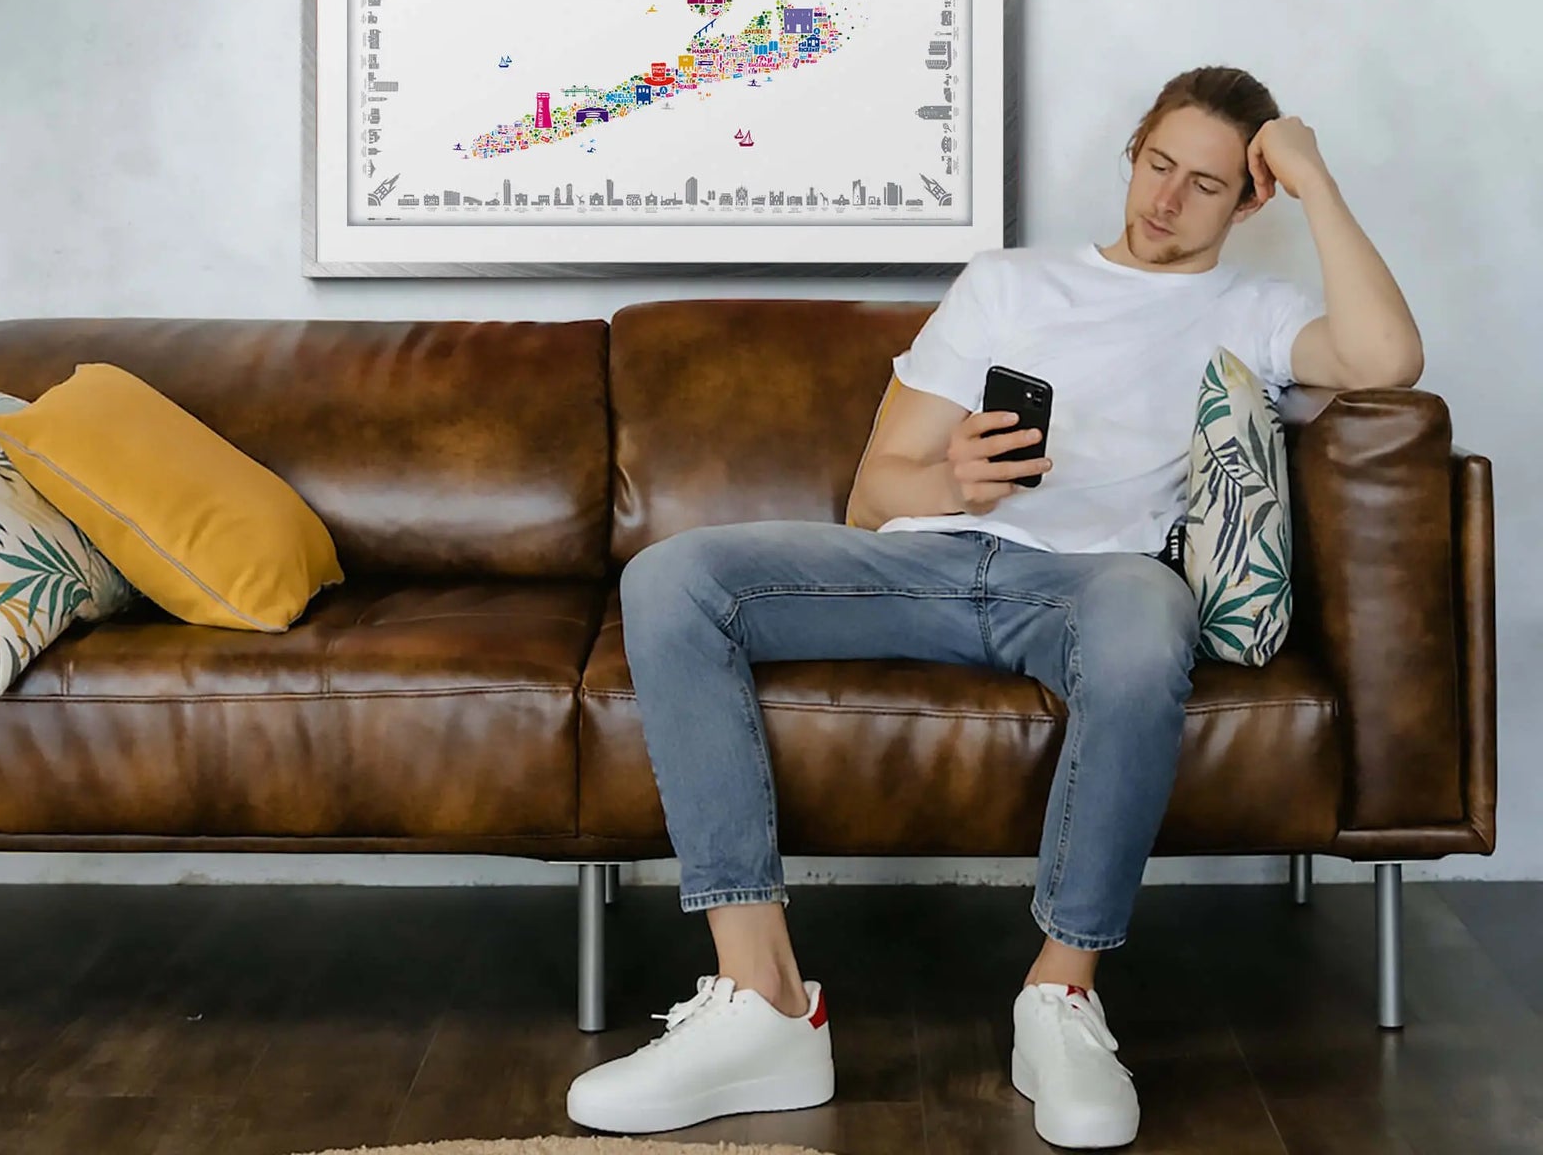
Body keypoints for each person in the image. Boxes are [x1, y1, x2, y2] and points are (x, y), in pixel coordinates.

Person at [565, 66, 1424, 1151]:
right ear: (1132, 153)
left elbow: (1391, 360)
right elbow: (875, 497)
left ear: (1251, 201)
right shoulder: (1007, 284)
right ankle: (761, 999)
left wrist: (1313, 172)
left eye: (1205, 185)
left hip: (1087, 587)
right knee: (672, 576)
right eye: (1157, 166)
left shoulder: (1254, 312)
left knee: (1148, 618)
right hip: (927, 565)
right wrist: (956, 481)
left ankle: (1058, 999)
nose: (1165, 201)